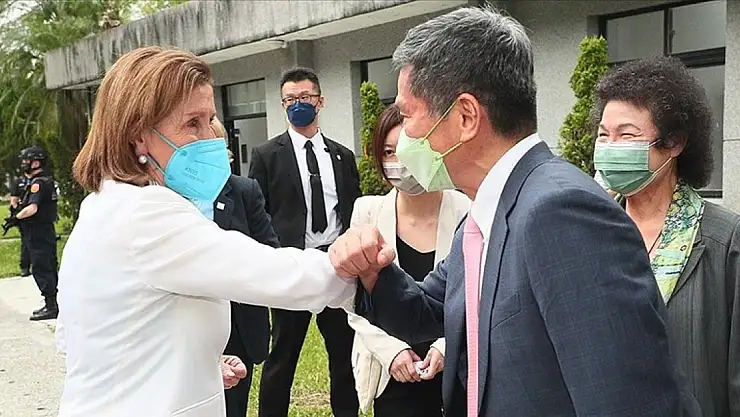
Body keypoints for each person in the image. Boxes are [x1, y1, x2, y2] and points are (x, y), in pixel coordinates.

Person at [328, 6, 700, 417]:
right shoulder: (486, 212)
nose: (404, 139)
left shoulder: (561, 212)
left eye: (407, 114)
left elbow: (626, 400)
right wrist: (371, 271)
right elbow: (432, 310)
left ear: (466, 116)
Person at [55, 46, 356, 417]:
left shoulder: (102, 205)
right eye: (192, 123)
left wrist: (197, 363)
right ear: (138, 136)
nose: (210, 138)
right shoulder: (147, 213)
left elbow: (86, 336)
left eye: (210, 119)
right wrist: (360, 272)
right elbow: (267, 272)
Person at [592, 56, 740, 417]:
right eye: (603, 135)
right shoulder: (591, 232)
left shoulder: (724, 241)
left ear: (674, 143)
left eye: (627, 135)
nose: (610, 147)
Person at [249, 67, 361, 417]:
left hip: (337, 266)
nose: (298, 104)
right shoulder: (267, 155)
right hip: (292, 265)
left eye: (305, 97)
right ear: (283, 105)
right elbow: (259, 214)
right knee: (282, 356)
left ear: (320, 101)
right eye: (290, 99)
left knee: (344, 355)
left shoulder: (342, 156)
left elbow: (353, 209)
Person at [346, 104, 470, 416]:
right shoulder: (367, 212)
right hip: (392, 376)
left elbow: (475, 298)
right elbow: (355, 302)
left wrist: (446, 346)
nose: (399, 162)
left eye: (407, 150)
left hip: (455, 371)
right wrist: (392, 352)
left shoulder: (467, 210)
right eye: (389, 152)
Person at [210, 117, 280, 417]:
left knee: (234, 406)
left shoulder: (244, 191)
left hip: (239, 324)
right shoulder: (169, 196)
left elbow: (270, 251)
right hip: (191, 323)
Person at [9, 146, 59, 320]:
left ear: (36, 163)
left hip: (38, 231)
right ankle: (54, 303)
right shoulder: (44, 180)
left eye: (27, 161)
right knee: (49, 265)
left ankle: (51, 306)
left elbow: (32, 208)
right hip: (44, 230)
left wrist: (15, 218)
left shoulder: (38, 183)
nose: (24, 163)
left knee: (41, 267)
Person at [8, 174, 31, 277]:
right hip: (22, 215)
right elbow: (13, 200)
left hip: (36, 214)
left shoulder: (38, 180)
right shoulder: (18, 181)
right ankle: (25, 267)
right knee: (26, 241)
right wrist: (16, 213)